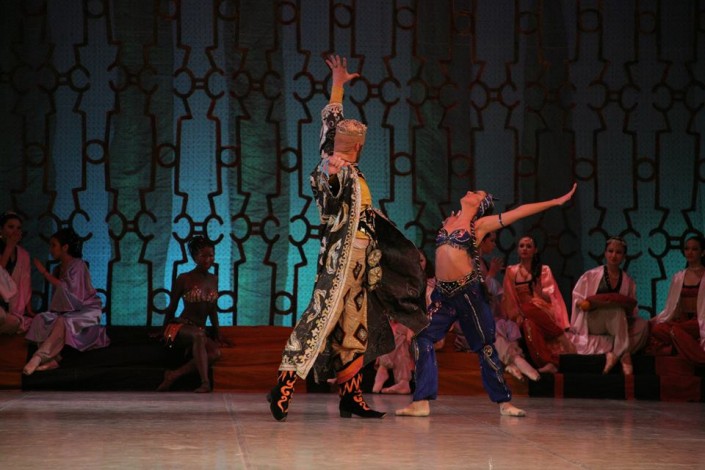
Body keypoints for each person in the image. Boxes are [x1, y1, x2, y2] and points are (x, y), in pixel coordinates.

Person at [268, 54, 428, 421]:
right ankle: (283, 386)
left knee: (355, 328)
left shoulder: (349, 168)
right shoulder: (333, 169)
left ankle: (351, 397)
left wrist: (338, 85)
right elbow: (329, 184)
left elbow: (330, 123)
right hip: (339, 262)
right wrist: (331, 172)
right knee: (321, 319)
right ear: (358, 146)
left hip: (361, 264)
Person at [396, 183, 577, 418]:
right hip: (443, 294)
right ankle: (421, 401)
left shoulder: (479, 225)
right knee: (422, 337)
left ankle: (504, 402)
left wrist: (555, 202)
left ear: (481, 205)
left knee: (485, 346)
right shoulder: (449, 221)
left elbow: (519, 212)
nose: (470, 192)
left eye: (477, 194)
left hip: (468, 294)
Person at [23, 228, 110, 374]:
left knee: (62, 321)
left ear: (65, 247)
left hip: (85, 309)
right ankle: (53, 359)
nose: (51, 249)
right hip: (67, 310)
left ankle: (38, 357)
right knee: (40, 319)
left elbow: (71, 292)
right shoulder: (58, 269)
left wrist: (44, 272)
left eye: (54, 245)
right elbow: (60, 299)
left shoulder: (78, 265)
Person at [570, 236, 648, 374]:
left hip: (617, 323)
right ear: (605, 253)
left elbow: (632, 310)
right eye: (610, 251)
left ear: (624, 256)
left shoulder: (628, 281)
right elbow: (577, 297)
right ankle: (625, 355)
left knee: (643, 325)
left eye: (618, 252)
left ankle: (615, 354)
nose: (614, 255)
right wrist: (585, 303)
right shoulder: (591, 275)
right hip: (595, 320)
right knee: (616, 310)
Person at [155, 236, 224, 393]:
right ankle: (205, 383)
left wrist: (218, 332)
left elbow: (212, 309)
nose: (208, 259)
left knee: (215, 353)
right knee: (199, 336)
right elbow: (172, 307)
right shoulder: (184, 278)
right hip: (180, 326)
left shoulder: (214, 279)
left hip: (199, 329)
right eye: (203, 256)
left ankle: (173, 375)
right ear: (194, 257)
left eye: (211, 255)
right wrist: (163, 330)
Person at [501, 235, 575, 374]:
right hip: (521, 314)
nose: (525, 249)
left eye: (529, 246)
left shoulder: (543, 270)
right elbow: (509, 298)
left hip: (541, 309)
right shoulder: (511, 271)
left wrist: (539, 294)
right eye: (522, 246)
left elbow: (551, 296)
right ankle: (548, 362)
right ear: (517, 249)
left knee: (528, 309)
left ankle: (559, 336)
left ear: (535, 250)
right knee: (528, 324)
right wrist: (517, 315)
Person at [478, 232, 540, 382]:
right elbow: (478, 292)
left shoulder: (483, 262)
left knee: (507, 326)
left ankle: (513, 364)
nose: (494, 244)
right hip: (474, 315)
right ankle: (517, 361)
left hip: (488, 312)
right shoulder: (471, 263)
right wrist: (491, 274)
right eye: (491, 241)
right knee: (493, 332)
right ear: (482, 241)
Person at [649, 235, 705, 365]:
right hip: (682, 321)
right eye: (687, 249)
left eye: (694, 249)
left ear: (702, 252)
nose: (689, 252)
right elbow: (671, 306)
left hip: (699, 321)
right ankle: (680, 344)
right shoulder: (678, 277)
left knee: (676, 330)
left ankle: (698, 357)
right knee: (658, 328)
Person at [0, 212, 34, 335]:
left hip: (10, 305)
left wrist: (29, 309)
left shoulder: (23, 254)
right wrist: (9, 247)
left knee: (15, 322)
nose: (15, 231)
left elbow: (26, 282)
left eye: (18, 228)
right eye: (11, 227)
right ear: (1, 230)